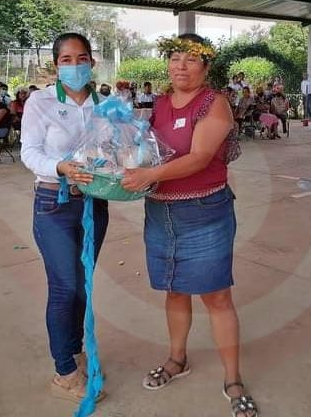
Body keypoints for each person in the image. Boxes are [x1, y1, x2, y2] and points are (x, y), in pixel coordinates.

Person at [120, 33, 258, 417]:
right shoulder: (160, 103)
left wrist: (148, 175)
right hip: (160, 213)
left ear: (206, 66)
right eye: (175, 58)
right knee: (175, 290)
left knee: (217, 297)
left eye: (191, 59)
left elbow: (199, 157)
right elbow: (147, 150)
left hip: (204, 212)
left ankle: (233, 380)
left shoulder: (214, 103)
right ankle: (176, 359)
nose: (180, 65)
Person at [20, 33, 109, 403]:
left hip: (94, 204)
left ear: (92, 62)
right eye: (66, 60)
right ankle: (64, 371)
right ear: (56, 65)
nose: (75, 66)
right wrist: (60, 167)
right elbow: (29, 152)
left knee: (82, 286)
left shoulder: (104, 104)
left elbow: (112, 150)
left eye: (82, 58)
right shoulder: (40, 102)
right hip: (53, 204)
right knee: (65, 287)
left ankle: (75, 350)